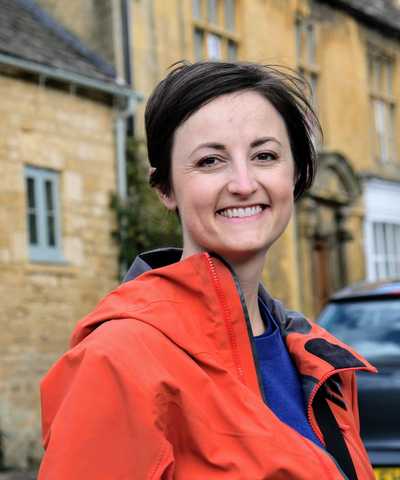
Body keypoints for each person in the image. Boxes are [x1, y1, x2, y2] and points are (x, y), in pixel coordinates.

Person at [38, 61, 376, 479]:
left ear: (297, 173)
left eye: (265, 156)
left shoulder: (320, 362)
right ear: (165, 188)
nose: (242, 182)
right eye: (210, 161)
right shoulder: (119, 359)